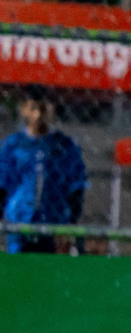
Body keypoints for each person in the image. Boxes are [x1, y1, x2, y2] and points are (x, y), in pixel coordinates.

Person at [0, 88, 88, 254]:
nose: (38, 115)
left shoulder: (64, 146)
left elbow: (76, 187)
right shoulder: (13, 145)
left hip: (54, 222)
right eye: (33, 108)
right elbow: (2, 184)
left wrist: (70, 221)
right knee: (19, 266)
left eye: (43, 108)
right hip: (19, 222)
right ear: (24, 109)